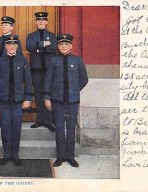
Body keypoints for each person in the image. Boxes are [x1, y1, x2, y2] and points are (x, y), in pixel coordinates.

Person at [44, 34, 88, 167]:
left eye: (66, 44)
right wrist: (47, 98)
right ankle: (60, 156)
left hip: (73, 101)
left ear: (71, 46)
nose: (64, 46)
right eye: (61, 44)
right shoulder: (53, 61)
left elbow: (84, 79)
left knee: (70, 129)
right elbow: (47, 81)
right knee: (59, 128)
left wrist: (74, 89)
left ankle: (70, 156)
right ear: (58, 46)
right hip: (57, 101)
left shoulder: (77, 60)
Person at [0, 35, 33, 166]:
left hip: (18, 100)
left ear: (17, 46)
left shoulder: (23, 61)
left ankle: (15, 154)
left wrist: (28, 98)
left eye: (14, 44)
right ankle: (6, 154)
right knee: (5, 128)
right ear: (6, 46)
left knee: (16, 128)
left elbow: (28, 80)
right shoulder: (0, 61)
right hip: (3, 100)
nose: (12, 46)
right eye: (9, 44)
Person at [26, 12, 57, 132]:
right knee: (38, 94)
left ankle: (49, 121)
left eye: (43, 20)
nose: (40, 22)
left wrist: (38, 48)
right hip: (36, 69)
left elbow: (53, 47)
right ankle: (39, 119)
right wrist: (44, 44)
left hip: (49, 69)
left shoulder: (52, 35)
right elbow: (29, 46)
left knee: (48, 94)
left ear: (46, 22)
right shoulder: (31, 35)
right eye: (38, 20)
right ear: (35, 22)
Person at [0, 16, 23, 129]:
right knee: (1, 95)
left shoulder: (15, 41)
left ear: (11, 27)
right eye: (3, 25)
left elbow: (19, 57)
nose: (4, 27)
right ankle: (2, 120)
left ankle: (12, 120)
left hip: (12, 73)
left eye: (7, 25)